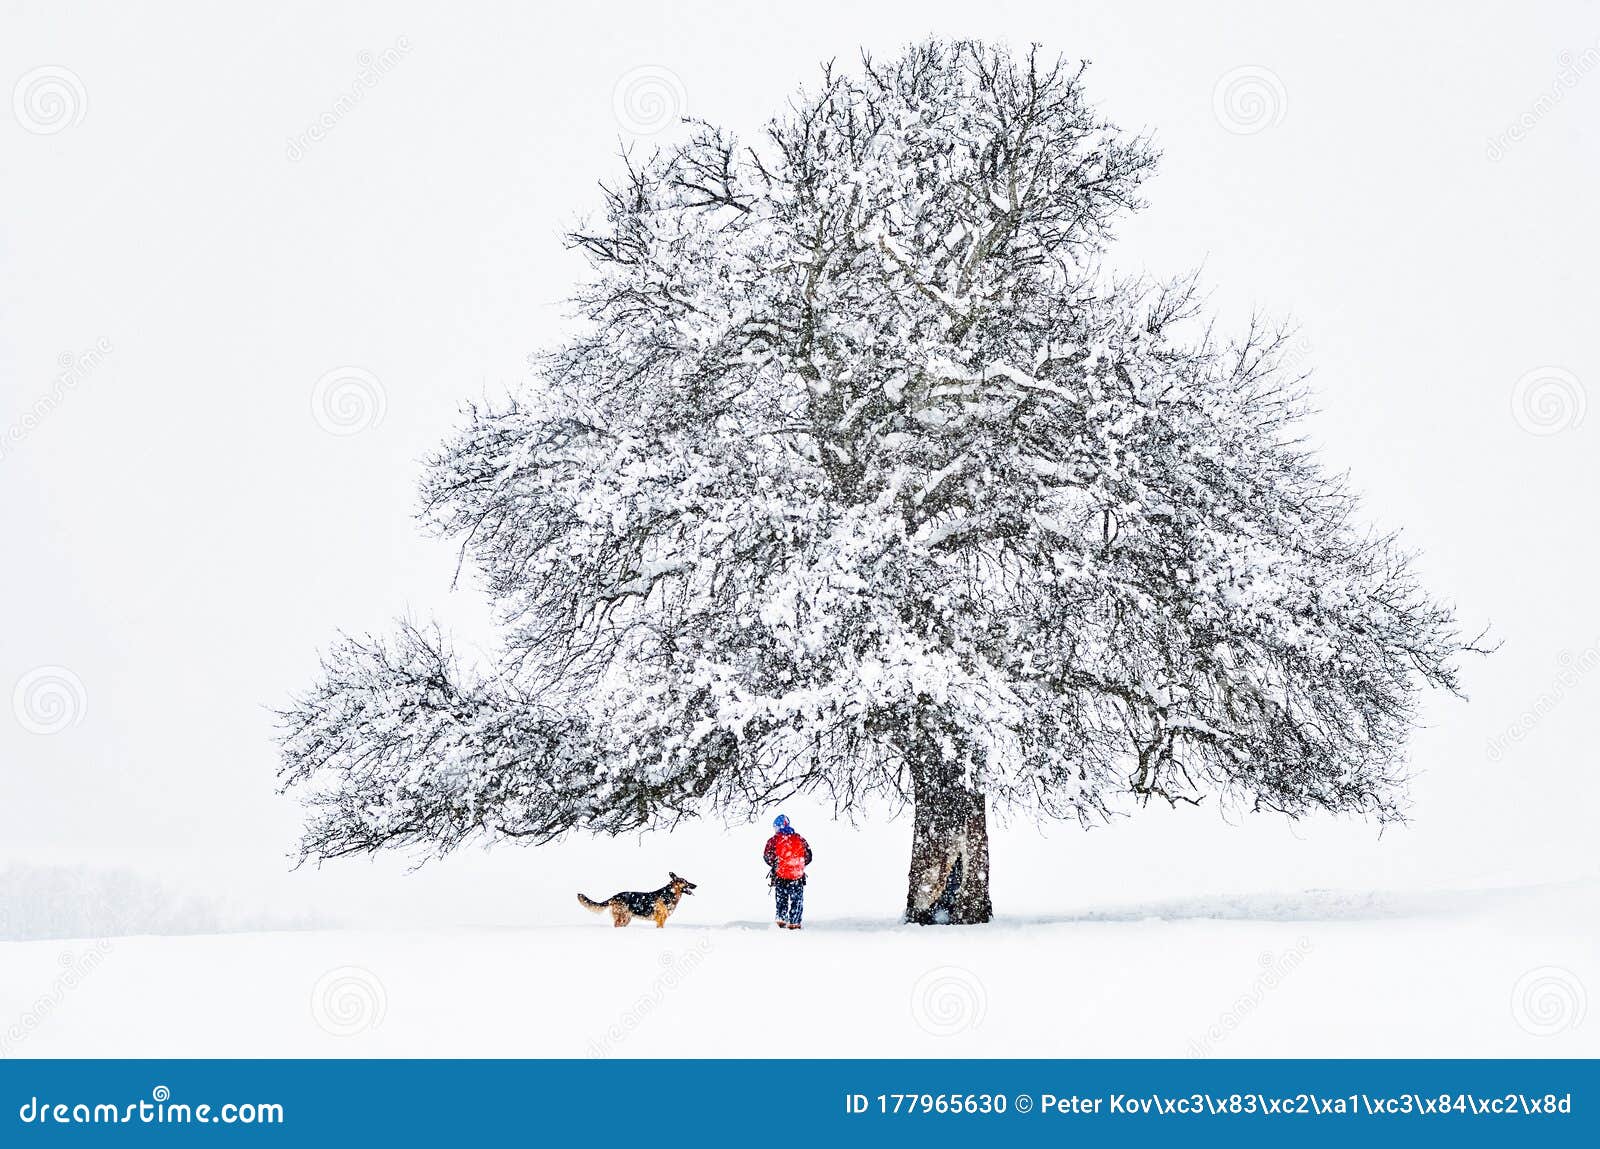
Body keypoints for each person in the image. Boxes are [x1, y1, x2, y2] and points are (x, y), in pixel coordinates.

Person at [763, 814, 812, 930]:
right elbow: (809, 856)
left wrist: (777, 865)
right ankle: (794, 923)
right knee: (797, 900)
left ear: (779, 827)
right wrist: (797, 866)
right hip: (797, 877)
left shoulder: (774, 840)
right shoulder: (799, 838)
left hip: (781, 876)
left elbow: (766, 856)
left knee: (782, 900)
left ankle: (781, 920)